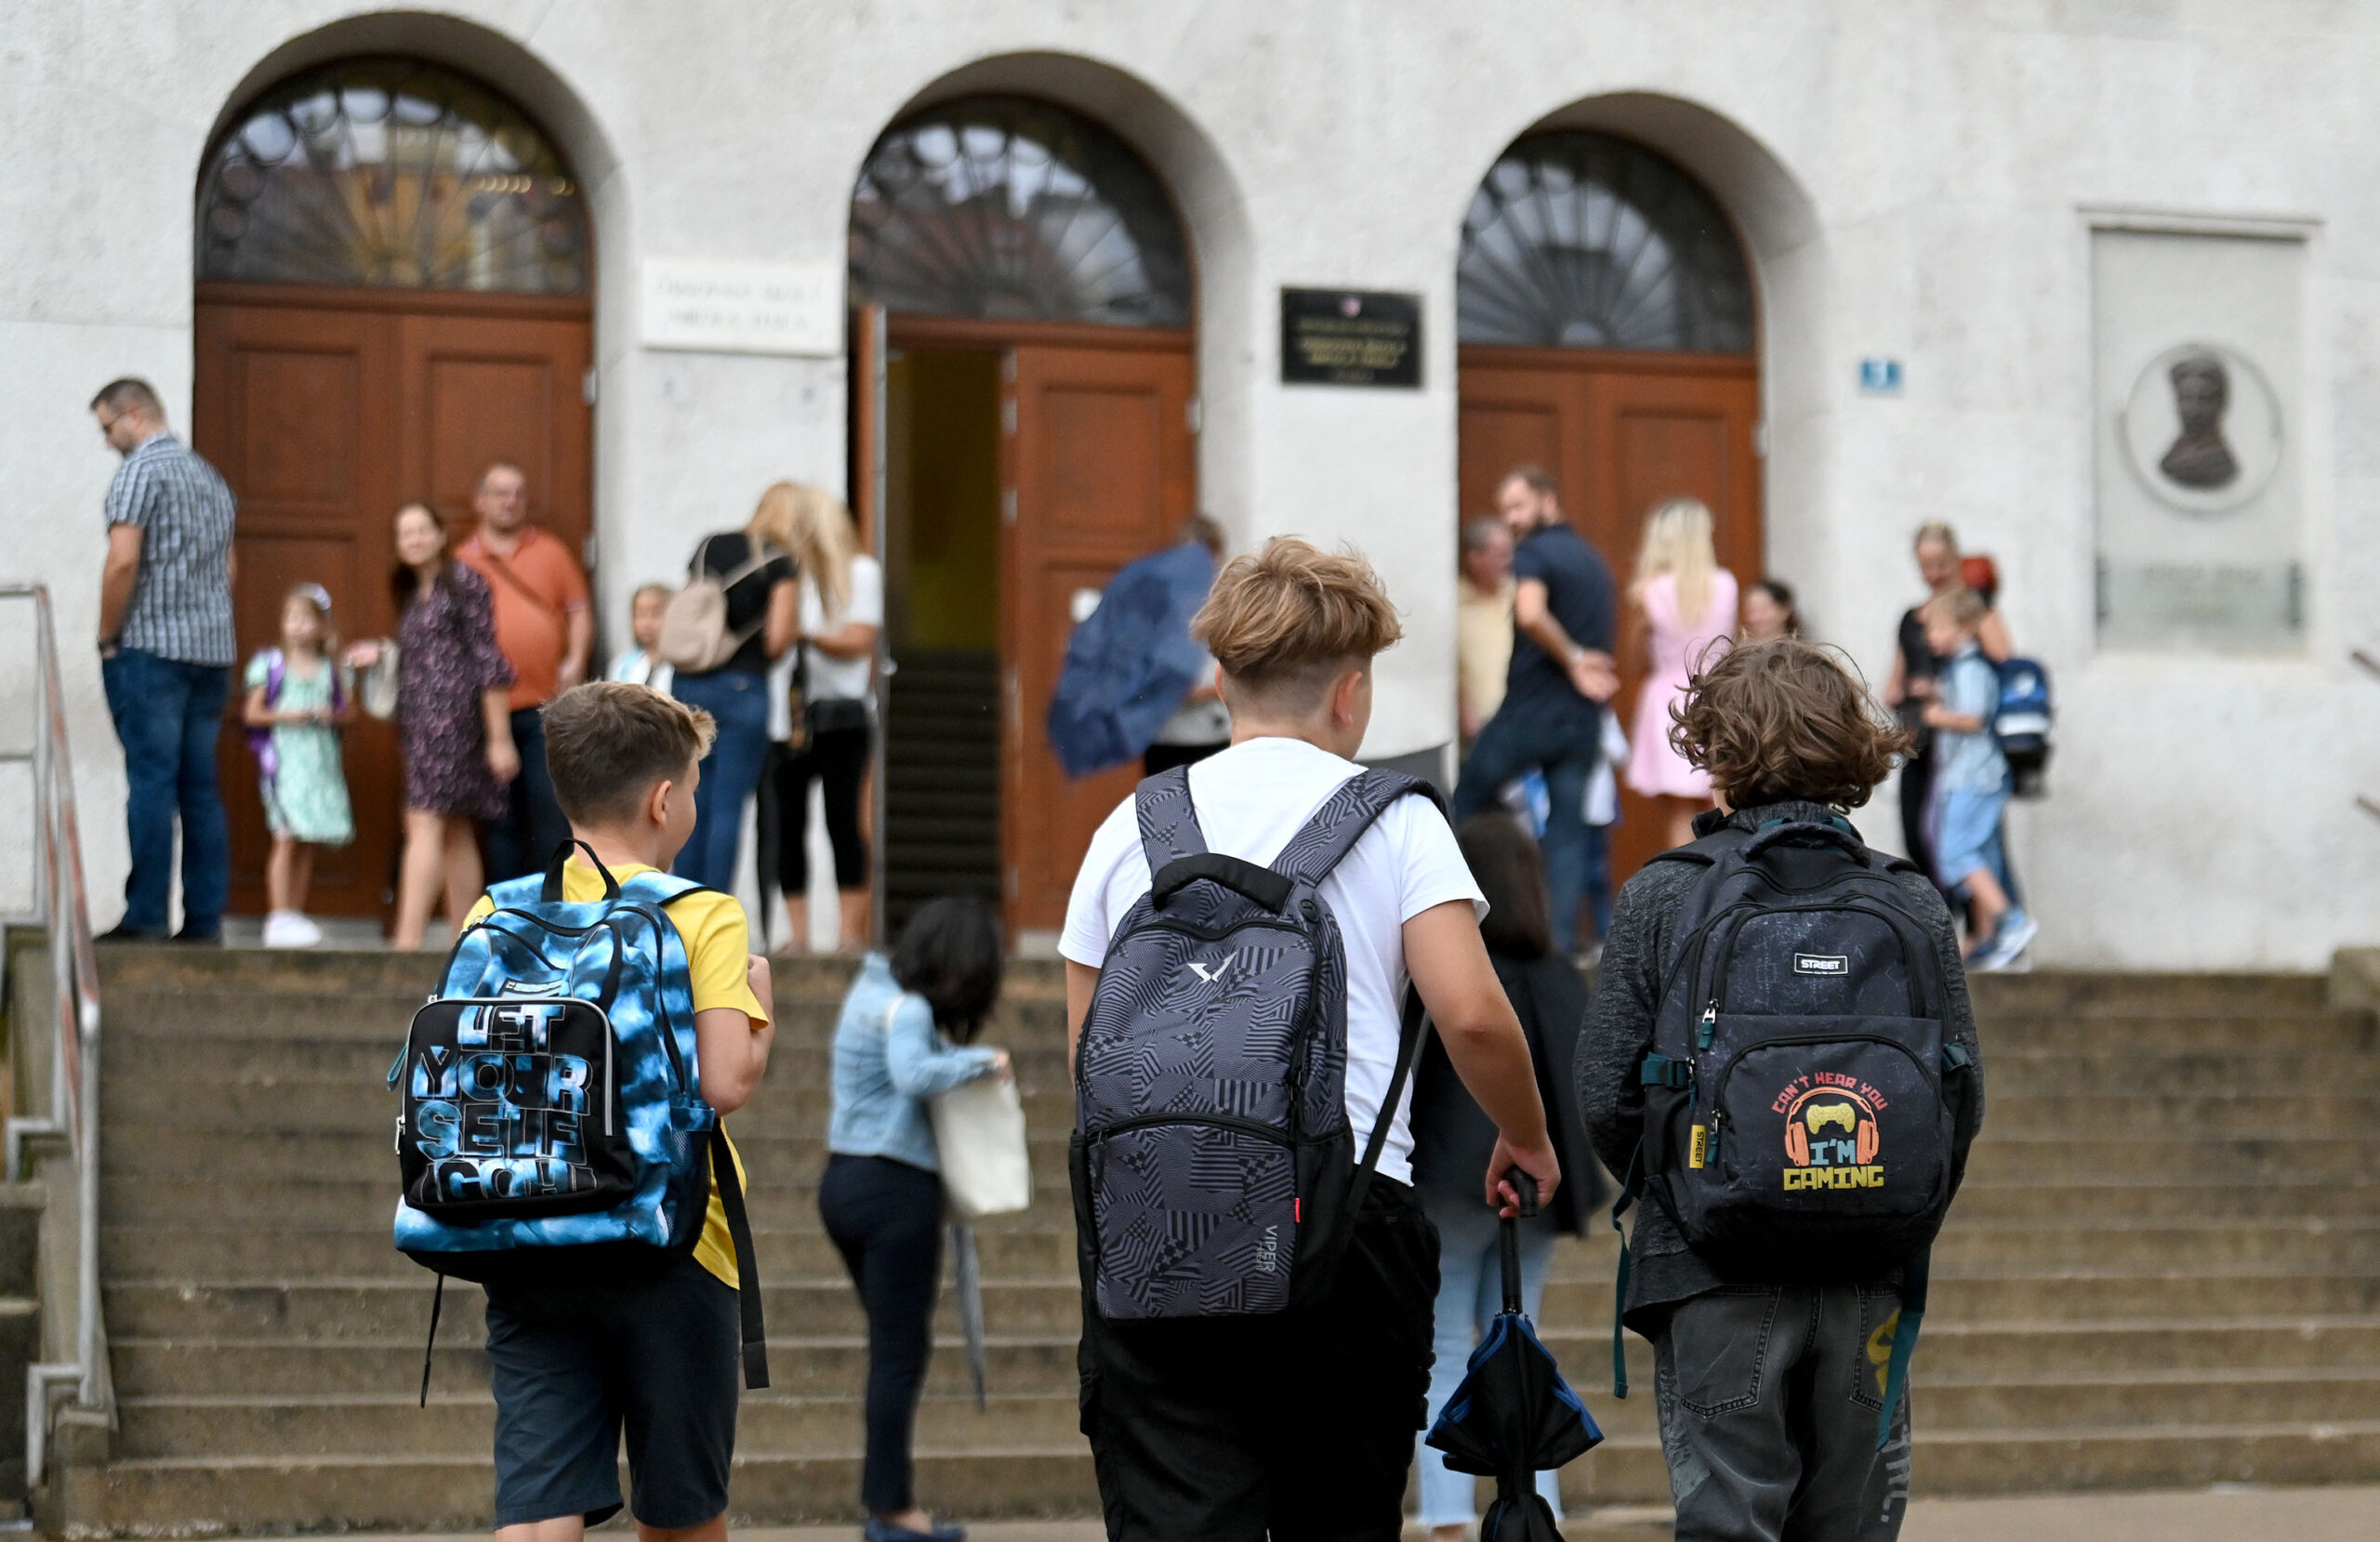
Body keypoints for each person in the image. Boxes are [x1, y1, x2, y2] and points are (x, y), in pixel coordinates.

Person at [1060, 536, 1562, 1542]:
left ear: (1218, 679)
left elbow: (1090, 1058)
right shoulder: (1396, 823)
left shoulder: (1133, 825)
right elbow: (1468, 1012)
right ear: (1351, 693)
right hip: (1346, 1215)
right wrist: (1527, 1134)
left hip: (1157, 1214)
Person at [1578, 638, 1986, 1542]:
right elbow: (1964, 1098)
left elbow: (1607, 1092)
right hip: (1869, 1269)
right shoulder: (1910, 900)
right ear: (1852, 749)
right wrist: (1881, 1202)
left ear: (1716, 752)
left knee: (1728, 1520)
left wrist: (1693, 1187)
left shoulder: (1664, 895)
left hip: (1711, 1268)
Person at [461, 680, 775, 1542]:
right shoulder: (699, 914)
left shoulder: (499, 909)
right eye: (696, 787)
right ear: (663, 800)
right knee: (680, 1514)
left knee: (536, 1514)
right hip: (670, 1243)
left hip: (525, 1235)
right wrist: (762, 1008)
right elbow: (724, 1083)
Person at [1410, 812, 1599, 1542]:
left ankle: (1451, 1513)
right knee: (1525, 1343)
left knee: (1446, 1346)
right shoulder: (1557, 974)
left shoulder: (1450, 970)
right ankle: (1534, 1506)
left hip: (1445, 1184)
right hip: (1537, 1186)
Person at [819, 896, 1013, 1542]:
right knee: (900, 1354)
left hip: (843, 1182)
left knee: (889, 1348)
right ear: (956, 968)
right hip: (894, 1187)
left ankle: (887, 1501)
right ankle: (892, 1508)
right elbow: (913, 1073)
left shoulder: (869, 988)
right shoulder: (912, 1010)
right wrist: (982, 1060)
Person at [89, 377, 237, 943]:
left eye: (108, 427)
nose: (107, 440)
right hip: (210, 654)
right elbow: (229, 570)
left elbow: (123, 562)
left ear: (133, 414)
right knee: (200, 790)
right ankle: (204, 921)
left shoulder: (139, 471)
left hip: (152, 651)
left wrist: (107, 637)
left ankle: (146, 916)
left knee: (150, 782)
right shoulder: (210, 476)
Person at [1451, 466, 1620, 955]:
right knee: (1567, 837)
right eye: (1505, 510)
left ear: (1548, 501)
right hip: (1581, 721)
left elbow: (1528, 612)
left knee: (1460, 809)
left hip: (1528, 714)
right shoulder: (1593, 561)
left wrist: (1571, 658)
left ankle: (1454, 937)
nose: (1511, 519)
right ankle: (1559, 950)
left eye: (1518, 506)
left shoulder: (1535, 553)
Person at [349, 503, 518, 951]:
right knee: (456, 829)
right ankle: (467, 945)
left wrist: (500, 738)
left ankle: (406, 945)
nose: (415, 540)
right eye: (405, 534)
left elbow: (489, 660)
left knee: (422, 823)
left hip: (453, 724)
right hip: (420, 723)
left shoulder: (465, 583)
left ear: (442, 534)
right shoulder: (412, 591)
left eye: (423, 530)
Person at [456, 461, 591, 881]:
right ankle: (509, 917)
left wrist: (577, 660)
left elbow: (579, 610)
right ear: (480, 500)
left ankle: (555, 913)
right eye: (501, 492)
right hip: (483, 709)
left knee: (551, 811)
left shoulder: (551, 551)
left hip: (545, 705)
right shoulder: (462, 559)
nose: (511, 501)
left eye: (518, 493)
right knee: (501, 820)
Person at [669, 484, 800, 892]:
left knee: (689, 799)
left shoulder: (710, 545)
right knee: (727, 807)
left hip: (688, 682)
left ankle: (681, 906)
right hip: (742, 687)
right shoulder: (780, 562)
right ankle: (711, 910)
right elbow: (778, 639)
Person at [771, 485, 883, 953]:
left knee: (844, 824)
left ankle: (848, 935)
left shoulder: (860, 571)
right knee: (788, 825)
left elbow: (860, 639)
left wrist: (803, 634)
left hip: (843, 715)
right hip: (789, 716)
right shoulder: (786, 573)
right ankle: (797, 936)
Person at [1045, 514, 1225, 779]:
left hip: (1197, 734)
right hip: (1169, 736)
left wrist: (1201, 688)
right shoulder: (1159, 597)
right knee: (1177, 815)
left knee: (1188, 815)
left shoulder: (1219, 600)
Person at [1883, 524, 2009, 886]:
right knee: (1918, 836)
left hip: (1963, 748)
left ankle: (1989, 928)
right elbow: (1896, 679)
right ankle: (1942, 920)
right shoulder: (1913, 617)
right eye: (1925, 565)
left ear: (1957, 559)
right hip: (1919, 740)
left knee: (1972, 844)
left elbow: (2001, 669)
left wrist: (1943, 690)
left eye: (1941, 563)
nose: (1933, 574)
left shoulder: (1976, 611)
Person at [1922, 589, 2035, 969]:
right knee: (1982, 856)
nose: (1930, 637)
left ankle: (2012, 921)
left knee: (1956, 852)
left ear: (1963, 628)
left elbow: (1974, 717)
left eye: (1937, 627)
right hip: (1972, 776)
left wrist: (1938, 716)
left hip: (1974, 776)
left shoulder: (1970, 668)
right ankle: (1992, 939)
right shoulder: (1960, 669)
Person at [241, 584, 355, 947]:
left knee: (308, 838)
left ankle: (295, 911)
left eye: (306, 619)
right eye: (291, 618)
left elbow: (348, 711)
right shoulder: (273, 665)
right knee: (286, 835)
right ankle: (279, 914)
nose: (297, 626)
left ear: (322, 627)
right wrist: (292, 716)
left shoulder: (329, 669)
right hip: (286, 764)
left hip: (318, 763)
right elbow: (253, 713)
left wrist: (330, 715)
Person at [1623, 497, 1739, 851]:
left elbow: (1633, 655)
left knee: (1679, 812)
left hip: (1669, 698)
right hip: (1719, 696)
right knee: (1722, 800)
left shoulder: (1650, 591)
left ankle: (1683, 891)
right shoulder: (1726, 584)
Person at [1455, 516, 1514, 748]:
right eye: (1500, 554)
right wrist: (1463, 711)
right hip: (1479, 726)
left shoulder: (1519, 596)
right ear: (1475, 559)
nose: (1509, 561)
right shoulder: (1455, 603)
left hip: (1523, 719)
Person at [608, 583, 676, 692]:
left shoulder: (679, 667)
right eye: (641, 614)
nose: (646, 623)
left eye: (656, 614)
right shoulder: (623, 666)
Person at [1740, 577, 1800, 642]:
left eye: (1764, 610)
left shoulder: (1798, 650)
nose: (1755, 617)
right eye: (1750, 611)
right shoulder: (1739, 648)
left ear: (1784, 610)